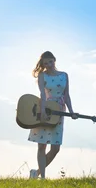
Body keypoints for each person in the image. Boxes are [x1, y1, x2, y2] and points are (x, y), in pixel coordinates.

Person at [28, 51, 78, 179]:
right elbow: (42, 94)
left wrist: (71, 111)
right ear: (43, 65)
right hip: (45, 109)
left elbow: (66, 95)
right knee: (42, 145)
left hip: (59, 110)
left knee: (55, 148)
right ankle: (43, 178)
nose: (49, 65)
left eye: (50, 61)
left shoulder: (64, 75)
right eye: (46, 63)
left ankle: (36, 173)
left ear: (54, 60)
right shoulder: (42, 76)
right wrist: (43, 111)